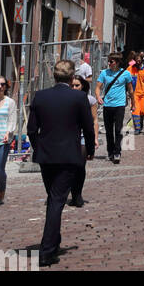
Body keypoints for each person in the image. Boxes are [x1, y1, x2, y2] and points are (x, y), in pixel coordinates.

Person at [27, 60, 95, 266]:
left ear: (54, 75)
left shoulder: (41, 96)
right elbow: (88, 128)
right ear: (71, 76)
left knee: (54, 198)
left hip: (46, 156)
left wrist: (38, 148)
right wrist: (90, 150)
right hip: (68, 156)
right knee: (56, 200)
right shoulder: (79, 97)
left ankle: (53, 243)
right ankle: (47, 251)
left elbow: (31, 130)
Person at [96, 53, 133, 163]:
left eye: (111, 61)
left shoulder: (126, 74)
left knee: (118, 129)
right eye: (109, 61)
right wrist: (98, 97)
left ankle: (117, 152)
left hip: (119, 105)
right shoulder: (104, 73)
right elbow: (98, 87)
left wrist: (133, 103)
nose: (109, 63)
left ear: (117, 62)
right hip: (107, 105)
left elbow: (130, 90)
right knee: (108, 131)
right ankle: (110, 152)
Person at [69, 74, 99, 205]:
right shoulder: (66, 99)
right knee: (70, 167)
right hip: (69, 136)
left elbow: (94, 120)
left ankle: (77, 194)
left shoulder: (90, 100)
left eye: (77, 85)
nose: (74, 88)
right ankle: (71, 191)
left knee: (80, 166)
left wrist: (95, 138)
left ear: (83, 86)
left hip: (83, 137)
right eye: (72, 85)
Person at [0, 74, 17, 206]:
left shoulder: (10, 102)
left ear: (6, 86)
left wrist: (8, 132)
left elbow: (12, 119)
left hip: (2, 141)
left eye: (2, 84)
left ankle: (2, 190)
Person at [129, 53, 144, 134]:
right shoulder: (131, 68)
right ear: (134, 60)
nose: (138, 60)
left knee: (142, 111)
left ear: (142, 59)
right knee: (135, 110)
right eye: (136, 59)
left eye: (139, 59)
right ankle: (137, 128)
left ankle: (140, 123)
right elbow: (125, 76)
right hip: (134, 94)